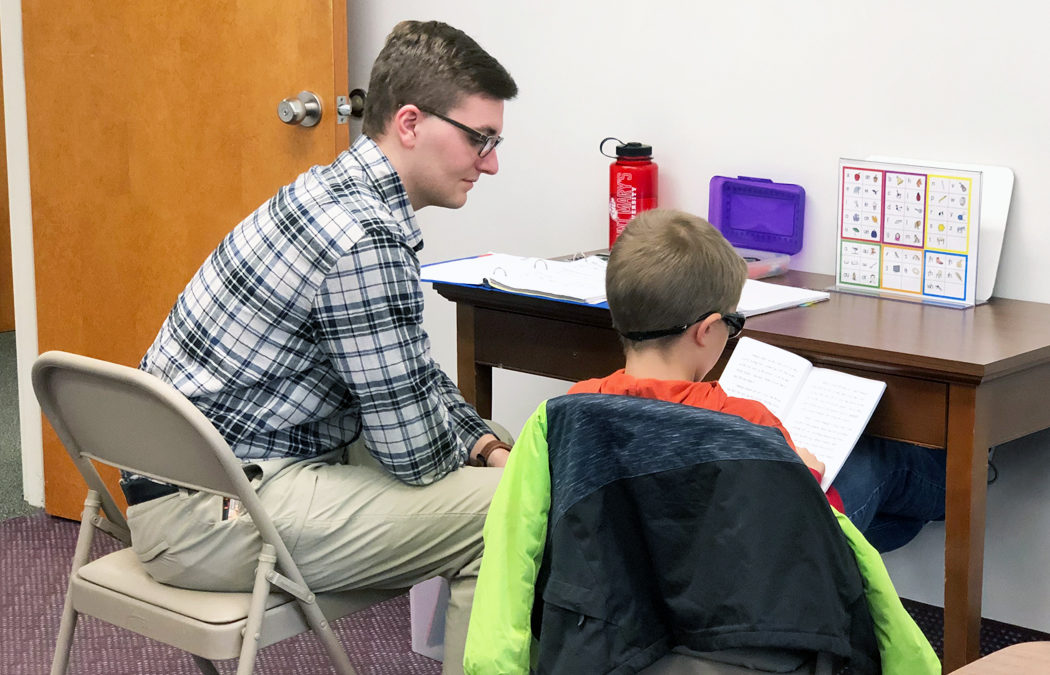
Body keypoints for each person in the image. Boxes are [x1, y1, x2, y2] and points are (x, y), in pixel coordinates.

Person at [122, 20, 518, 674]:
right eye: (480, 139)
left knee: (495, 447)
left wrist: (482, 442)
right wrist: (493, 464)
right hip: (212, 518)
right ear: (412, 123)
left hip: (190, 480)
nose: (493, 161)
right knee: (512, 502)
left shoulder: (331, 191)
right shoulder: (364, 241)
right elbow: (415, 455)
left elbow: (406, 374)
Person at [571, 208, 947, 552]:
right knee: (874, 477)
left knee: (895, 521)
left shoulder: (572, 409)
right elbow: (805, 532)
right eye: (733, 323)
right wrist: (808, 474)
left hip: (628, 587)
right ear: (708, 330)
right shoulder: (749, 426)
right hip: (739, 587)